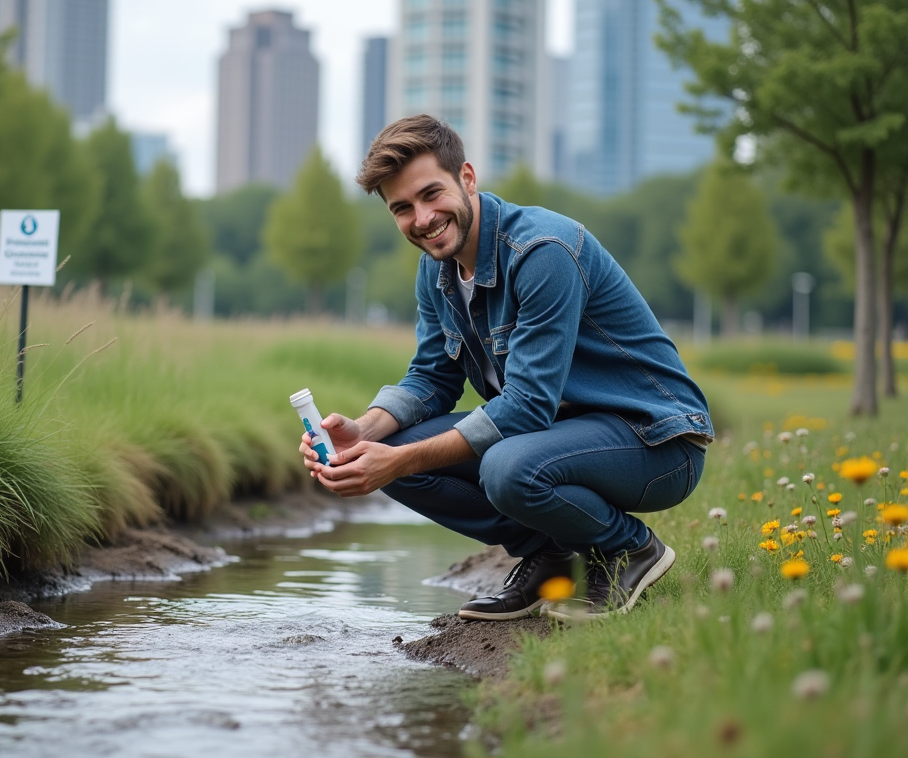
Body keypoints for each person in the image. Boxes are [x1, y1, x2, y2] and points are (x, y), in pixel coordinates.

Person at [299, 114, 712, 621]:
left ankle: (630, 548)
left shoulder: (542, 251)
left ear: (467, 179)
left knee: (505, 467)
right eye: (402, 208)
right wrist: (363, 432)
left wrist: (400, 461)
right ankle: (551, 556)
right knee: (391, 450)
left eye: (432, 194)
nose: (423, 218)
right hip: (563, 437)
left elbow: (527, 408)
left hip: (655, 443)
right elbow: (432, 378)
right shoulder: (437, 270)